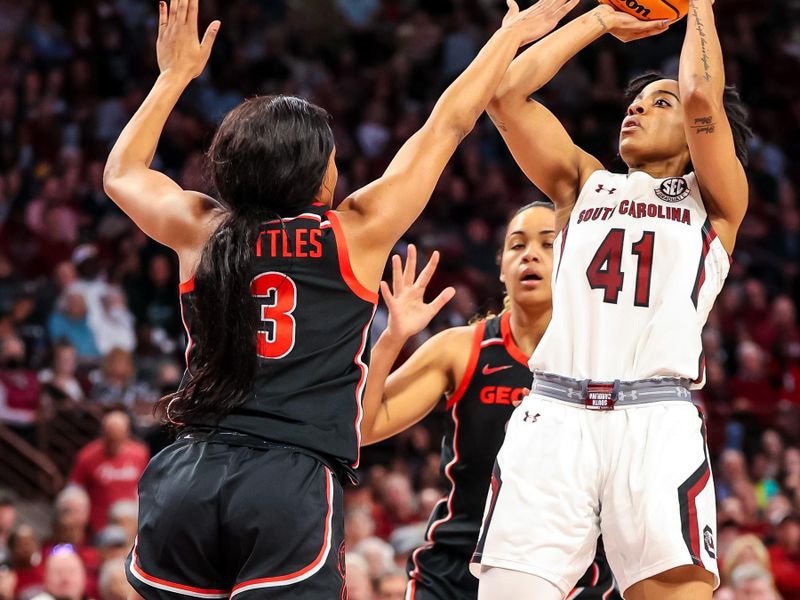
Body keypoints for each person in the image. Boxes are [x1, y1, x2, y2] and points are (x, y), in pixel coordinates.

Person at [101, 0, 588, 597]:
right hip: (285, 480)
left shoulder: (200, 230)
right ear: (316, 174)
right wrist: (509, 36)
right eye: (331, 157)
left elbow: (121, 173)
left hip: (185, 476)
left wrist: (172, 76)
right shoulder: (353, 233)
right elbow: (448, 124)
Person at [472, 1, 753, 599]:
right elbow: (506, 96)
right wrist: (601, 19)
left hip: (654, 420)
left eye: (659, 102)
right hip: (554, 415)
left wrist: (697, 5)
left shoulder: (716, 203)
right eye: (635, 100)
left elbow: (703, 94)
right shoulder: (584, 183)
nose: (637, 108)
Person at [360, 204, 619, 599]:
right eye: (517, 245)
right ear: (501, 269)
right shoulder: (462, 349)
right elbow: (362, 427)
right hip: (459, 568)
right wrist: (392, 338)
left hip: (566, 572)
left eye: (548, 245)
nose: (530, 254)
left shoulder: (605, 359)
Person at [69, 412, 149, 534]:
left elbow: (146, 486)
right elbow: (75, 487)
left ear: (127, 433)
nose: (113, 443)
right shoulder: (87, 455)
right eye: (110, 438)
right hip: (97, 523)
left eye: (118, 438)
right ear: (103, 433)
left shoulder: (140, 453)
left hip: (129, 520)